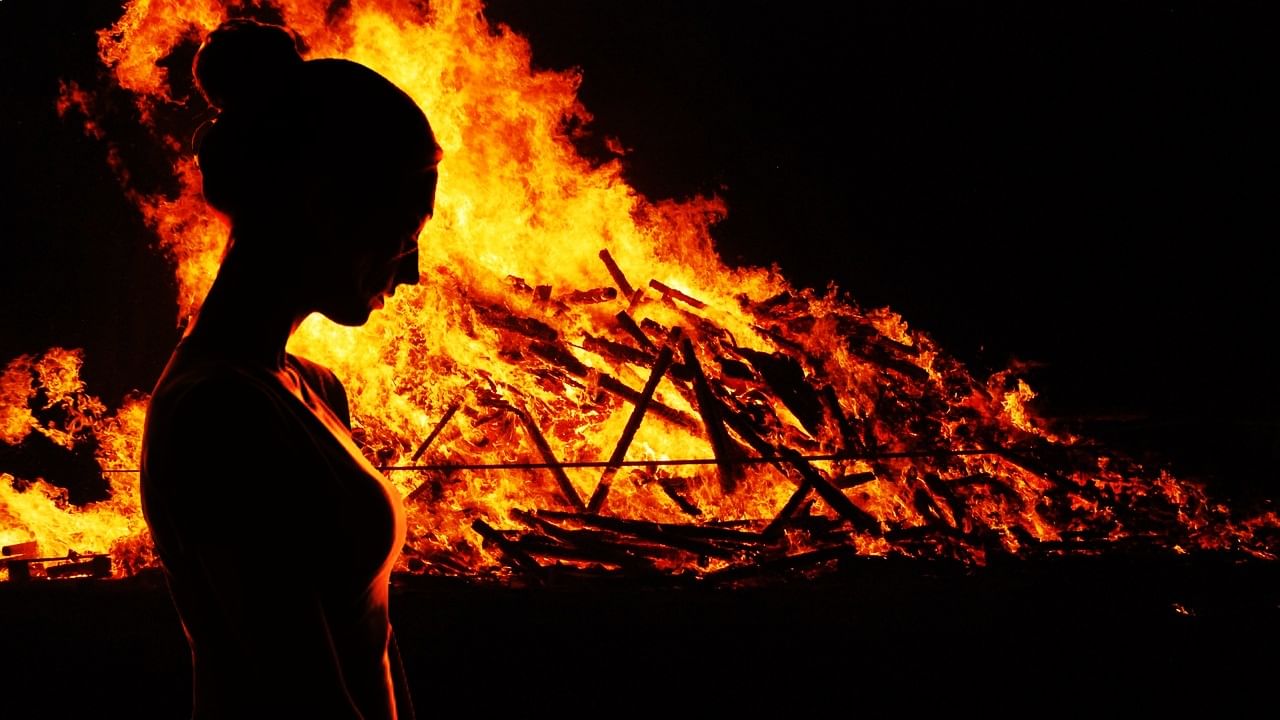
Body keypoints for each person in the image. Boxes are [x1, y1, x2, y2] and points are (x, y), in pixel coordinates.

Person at [139, 18, 440, 720]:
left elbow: (373, 643)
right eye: (404, 234)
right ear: (324, 208)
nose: (412, 271)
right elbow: (303, 696)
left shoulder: (313, 388)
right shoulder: (219, 412)